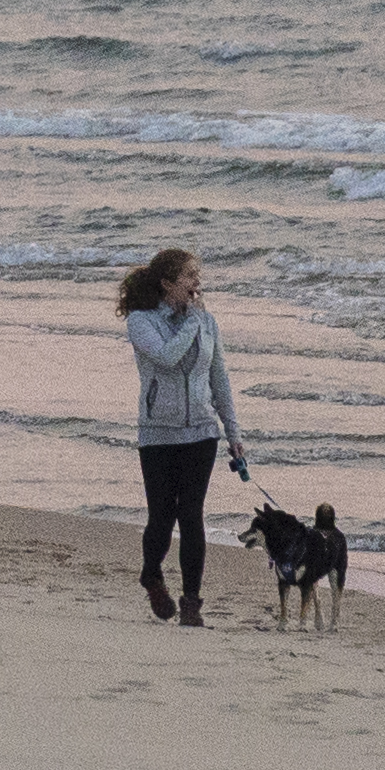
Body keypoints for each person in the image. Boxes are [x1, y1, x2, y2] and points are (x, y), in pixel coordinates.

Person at [119, 246, 246, 626]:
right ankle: (151, 575)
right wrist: (192, 321)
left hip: (201, 434)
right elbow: (167, 357)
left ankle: (192, 603)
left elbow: (219, 380)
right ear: (168, 284)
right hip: (158, 434)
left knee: (191, 515)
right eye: (190, 277)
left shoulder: (208, 323)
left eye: (197, 277)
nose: (197, 284)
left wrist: (233, 433)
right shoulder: (141, 322)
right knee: (162, 516)